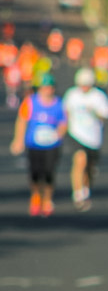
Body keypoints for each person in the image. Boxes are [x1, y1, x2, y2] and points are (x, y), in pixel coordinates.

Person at [9, 73, 66, 216]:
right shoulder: (30, 102)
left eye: (49, 87)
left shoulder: (59, 104)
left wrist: (58, 134)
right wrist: (18, 140)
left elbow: (63, 123)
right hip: (34, 144)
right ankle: (35, 196)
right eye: (44, 87)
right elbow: (22, 120)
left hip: (52, 145)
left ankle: (47, 199)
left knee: (48, 172)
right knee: (35, 173)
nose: (47, 90)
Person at [63, 67, 108, 211]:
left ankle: (86, 187)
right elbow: (65, 112)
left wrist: (95, 113)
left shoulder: (98, 96)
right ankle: (78, 194)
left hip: (93, 137)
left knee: (90, 167)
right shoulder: (72, 95)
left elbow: (106, 114)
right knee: (80, 160)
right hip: (76, 134)